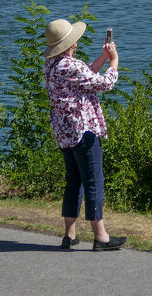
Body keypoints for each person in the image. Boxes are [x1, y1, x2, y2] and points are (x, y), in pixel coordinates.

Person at [42, 17, 126, 252]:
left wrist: (103, 57)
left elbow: (84, 75)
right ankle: (101, 237)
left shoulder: (51, 66)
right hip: (83, 130)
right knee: (93, 181)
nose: (76, 44)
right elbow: (104, 84)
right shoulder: (71, 66)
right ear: (68, 44)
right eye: (74, 41)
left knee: (74, 182)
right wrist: (114, 62)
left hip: (64, 131)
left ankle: (70, 235)